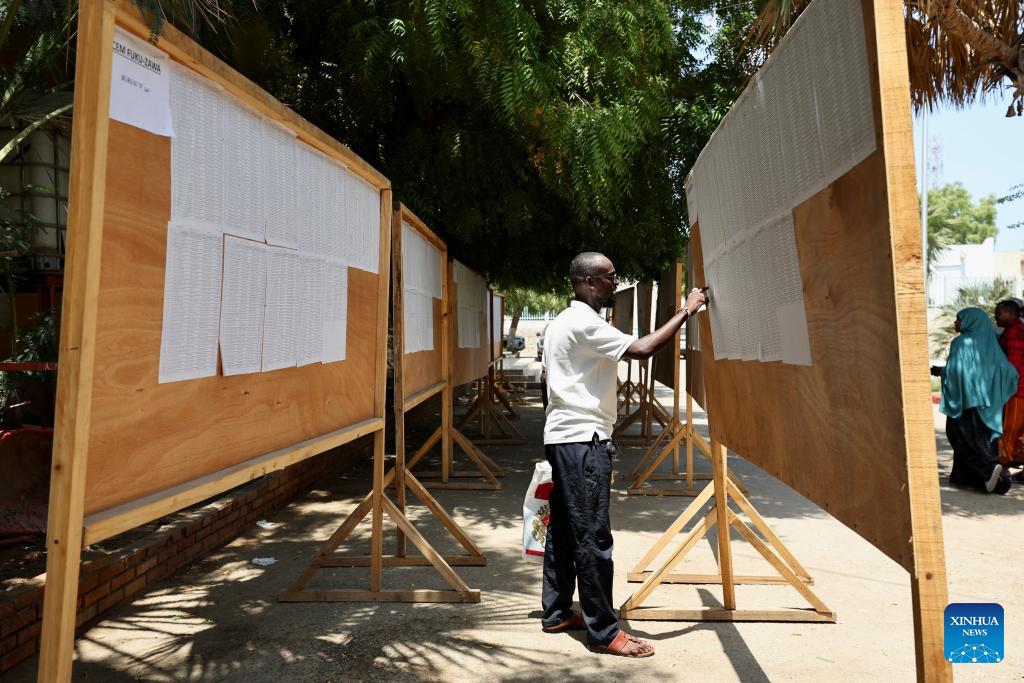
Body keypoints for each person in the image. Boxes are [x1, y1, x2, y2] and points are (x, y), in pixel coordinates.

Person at [540, 251, 707, 657]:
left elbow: (549, 383)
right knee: (592, 535)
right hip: (583, 441)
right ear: (588, 282)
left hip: (564, 438)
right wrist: (686, 310)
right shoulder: (584, 322)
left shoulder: (561, 322)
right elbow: (643, 348)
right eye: (610, 277)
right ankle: (603, 632)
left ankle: (557, 611)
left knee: (564, 529)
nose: (615, 283)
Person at [933, 307, 1015, 494]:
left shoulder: (961, 342)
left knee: (961, 437)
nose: (956, 322)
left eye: (959, 319)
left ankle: (990, 470)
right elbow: (1008, 371)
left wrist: (942, 372)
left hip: (966, 401)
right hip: (988, 405)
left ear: (971, 321)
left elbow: (955, 372)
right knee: (983, 439)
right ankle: (973, 480)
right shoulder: (990, 343)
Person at [994, 299, 1024, 472]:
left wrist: (1004, 387)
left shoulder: (1013, 332)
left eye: (999, 313)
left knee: (1008, 429)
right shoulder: (1017, 330)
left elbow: (1013, 365)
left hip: (1016, 390)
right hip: (1019, 389)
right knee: (1019, 431)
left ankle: (1002, 468)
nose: (996, 317)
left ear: (1012, 314)